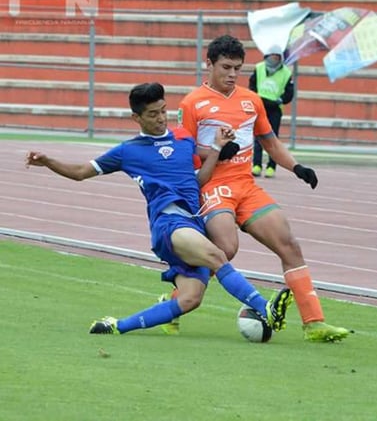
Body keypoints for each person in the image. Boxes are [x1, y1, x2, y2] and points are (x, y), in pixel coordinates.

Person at [25, 82, 289, 336]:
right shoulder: (127, 151)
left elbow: (197, 181)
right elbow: (81, 172)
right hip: (169, 223)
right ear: (136, 118)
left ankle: (116, 325)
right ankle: (264, 307)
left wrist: (218, 148)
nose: (161, 118)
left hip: (193, 223)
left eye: (163, 110)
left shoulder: (183, 140)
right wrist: (48, 161)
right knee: (217, 256)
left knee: (189, 300)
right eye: (153, 114)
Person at [163, 35, 350, 342]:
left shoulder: (251, 101)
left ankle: (314, 323)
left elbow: (271, 143)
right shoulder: (192, 102)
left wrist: (297, 168)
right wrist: (214, 153)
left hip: (247, 186)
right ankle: (175, 301)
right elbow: (185, 151)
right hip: (214, 185)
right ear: (208, 64)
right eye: (226, 67)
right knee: (226, 248)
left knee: (288, 243)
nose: (232, 74)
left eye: (237, 67)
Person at [250, 45, 294, 178]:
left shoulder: (286, 72)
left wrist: (281, 100)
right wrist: (254, 98)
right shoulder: (259, 68)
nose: (275, 58)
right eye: (272, 55)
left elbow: (289, 93)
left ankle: (271, 167)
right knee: (258, 137)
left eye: (277, 55)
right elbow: (252, 85)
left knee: (272, 138)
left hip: (275, 109)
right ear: (267, 56)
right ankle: (256, 165)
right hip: (260, 106)